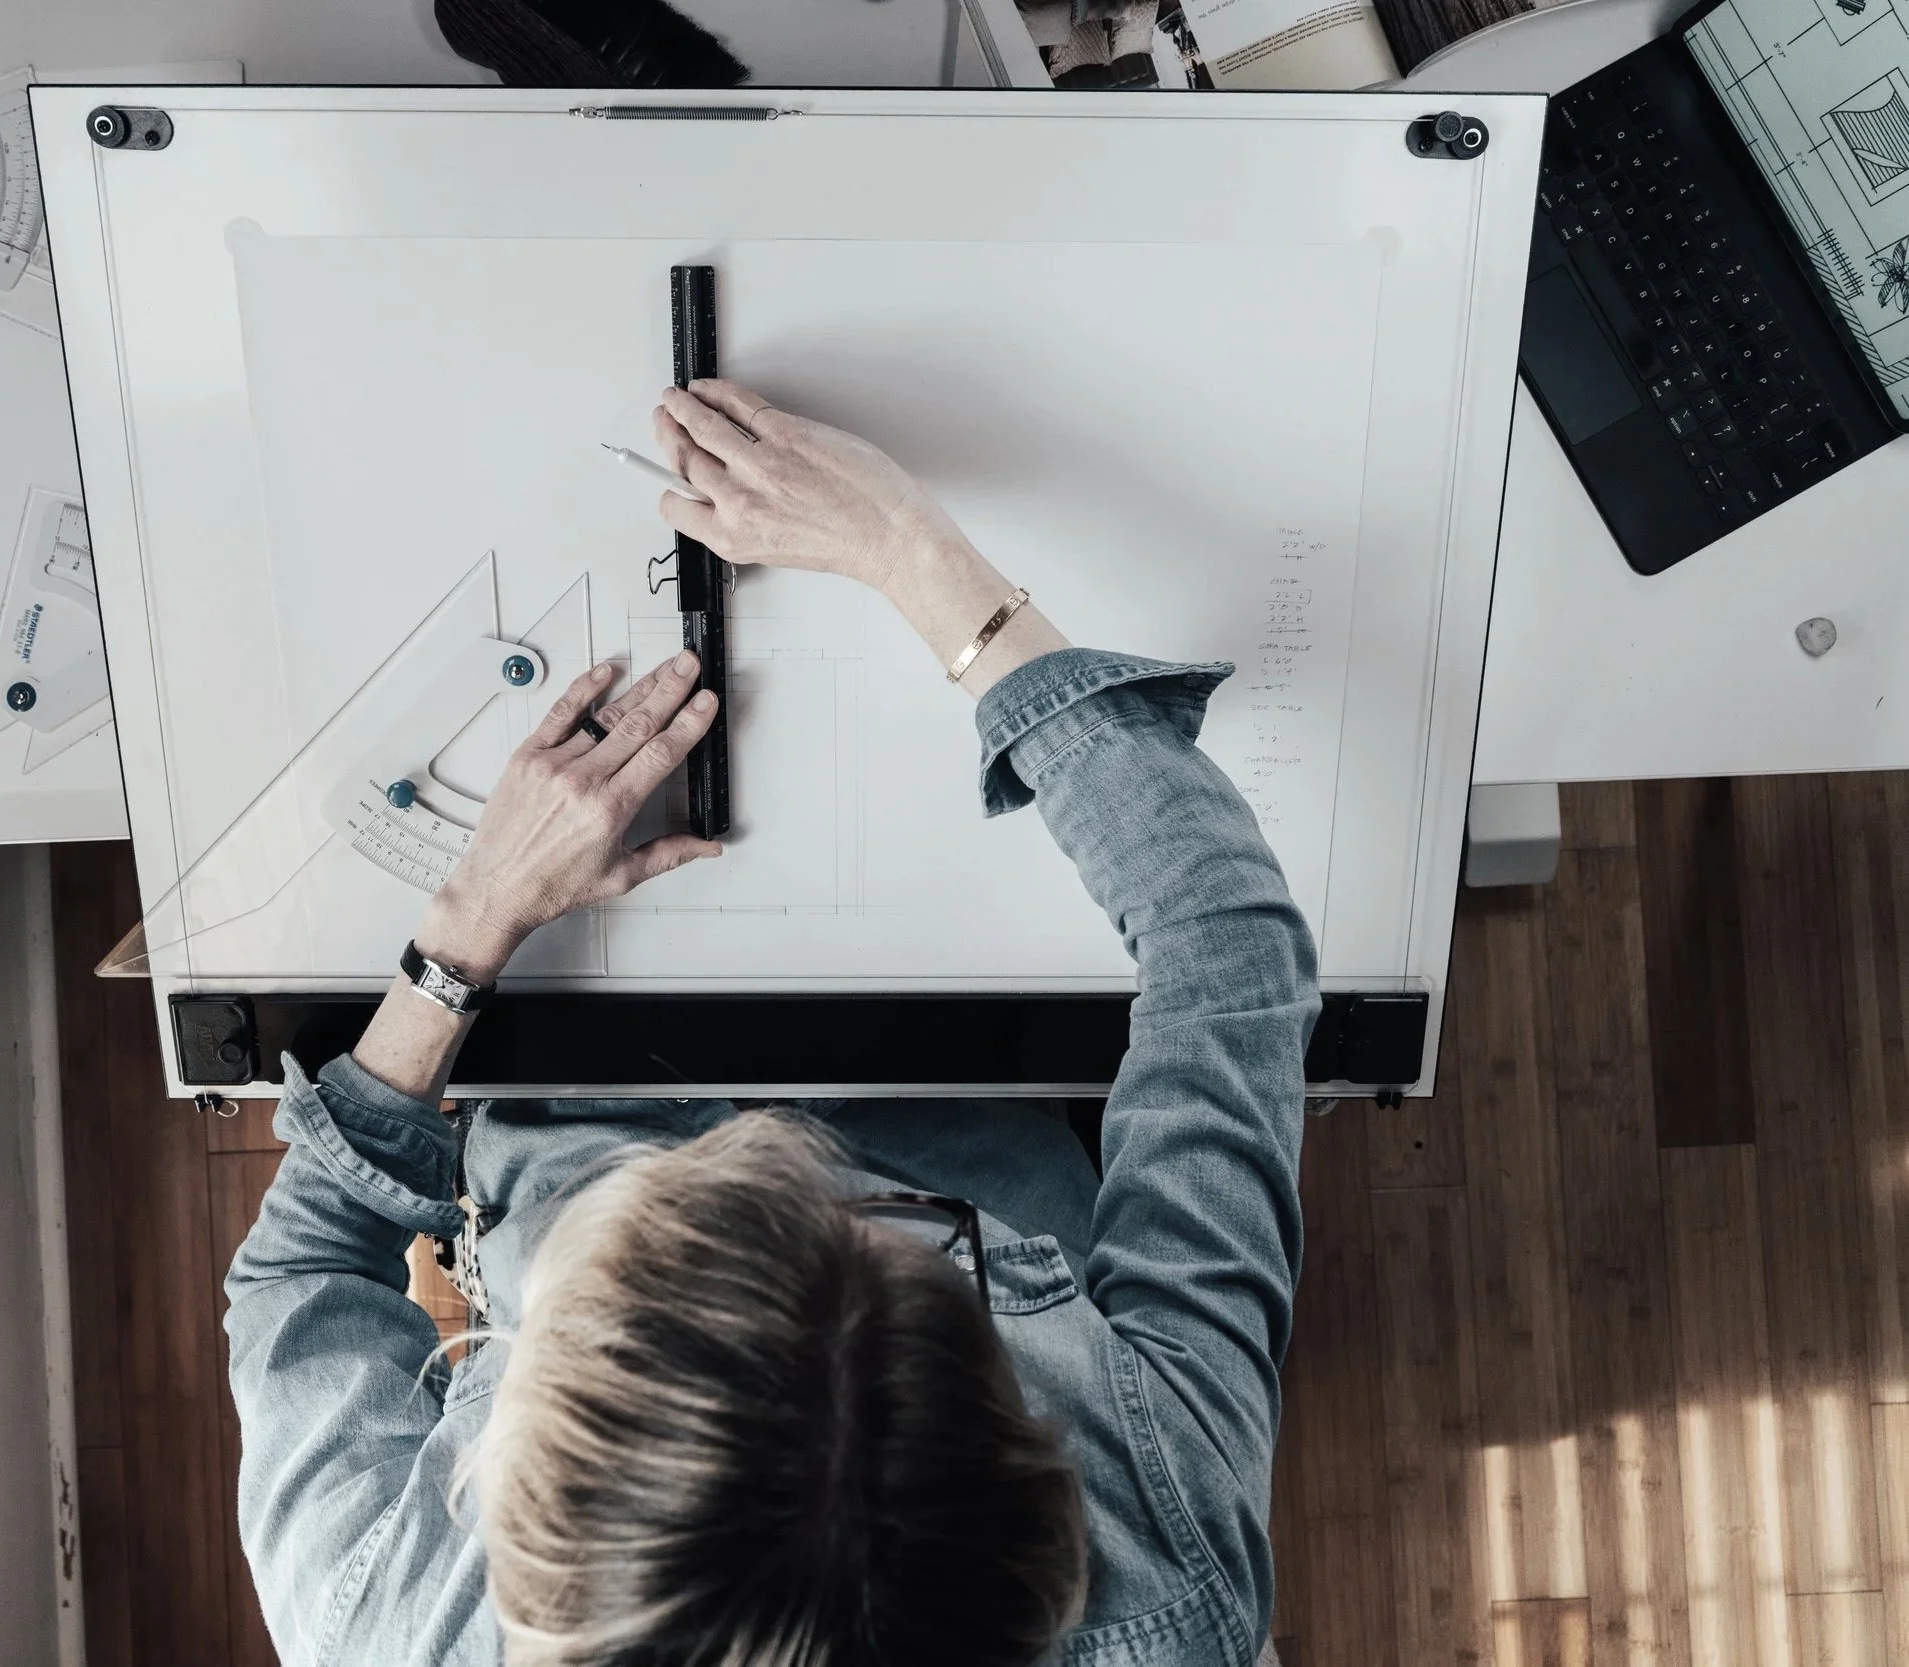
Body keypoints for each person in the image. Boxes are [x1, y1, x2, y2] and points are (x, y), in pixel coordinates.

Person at [224, 378, 1318, 1666]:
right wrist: (920, 559)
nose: (761, 1138)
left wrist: (468, 926)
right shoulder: (1166, 1565)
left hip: (557, 1031)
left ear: (507, 1483)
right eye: (886, 1230)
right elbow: (1226, 952)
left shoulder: (389, 1629)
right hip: (949, 1071)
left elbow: (301, 1272)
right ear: (1026, 1442)